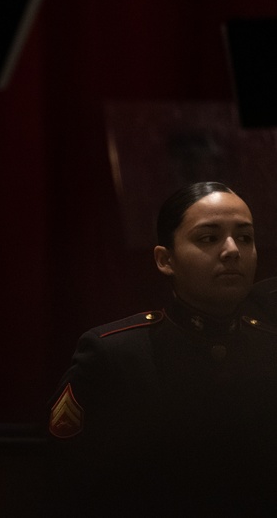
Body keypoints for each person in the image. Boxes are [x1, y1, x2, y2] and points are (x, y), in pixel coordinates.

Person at [46, 181, 277, 516]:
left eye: (245, 237)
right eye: (208, 238)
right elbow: (72, 482)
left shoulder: (270, 346)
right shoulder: (115, 354)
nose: (232, 250)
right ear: (165, 259)